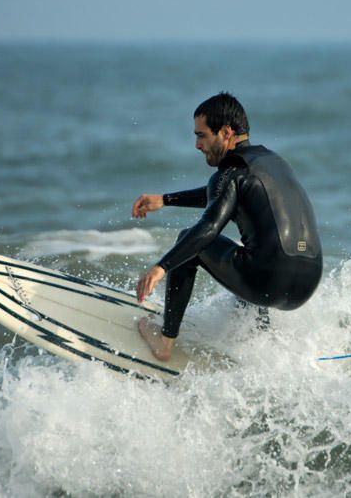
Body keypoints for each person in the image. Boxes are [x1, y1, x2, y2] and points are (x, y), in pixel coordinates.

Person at [131, 92, 322, 361]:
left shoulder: (231, 173)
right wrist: (165, 200)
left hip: (270, 282)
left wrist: (161, 267)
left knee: (191, 242)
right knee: (258, 252)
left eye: (201, 135)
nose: (197, 145)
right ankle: (261, 342)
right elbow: (222, 196)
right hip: (306, 282)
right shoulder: (273, 163)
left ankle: (164, 343)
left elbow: (210, 226)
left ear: (226, 132)